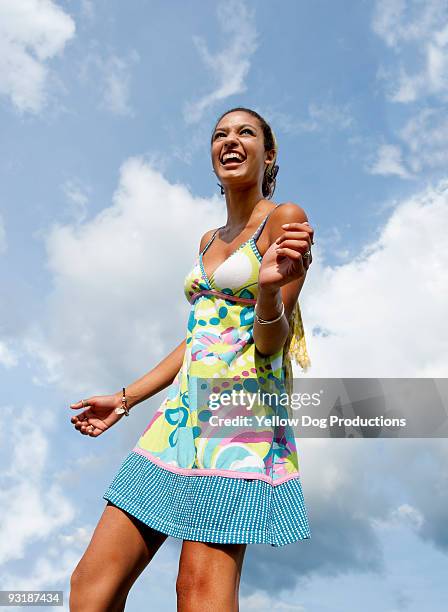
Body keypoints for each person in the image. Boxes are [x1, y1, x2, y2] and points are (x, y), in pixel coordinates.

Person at [69, 107, 314, 611]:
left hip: (237, 412)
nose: (231, 140)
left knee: (197, 591)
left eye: (246, 133)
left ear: (269, 155)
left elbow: (270, 343)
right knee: (91, 588)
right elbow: (198, 340)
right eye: (220, 134)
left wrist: (268, 293)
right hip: (179, 416)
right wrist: (125, 398)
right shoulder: (207, 240)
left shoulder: (284, 218)